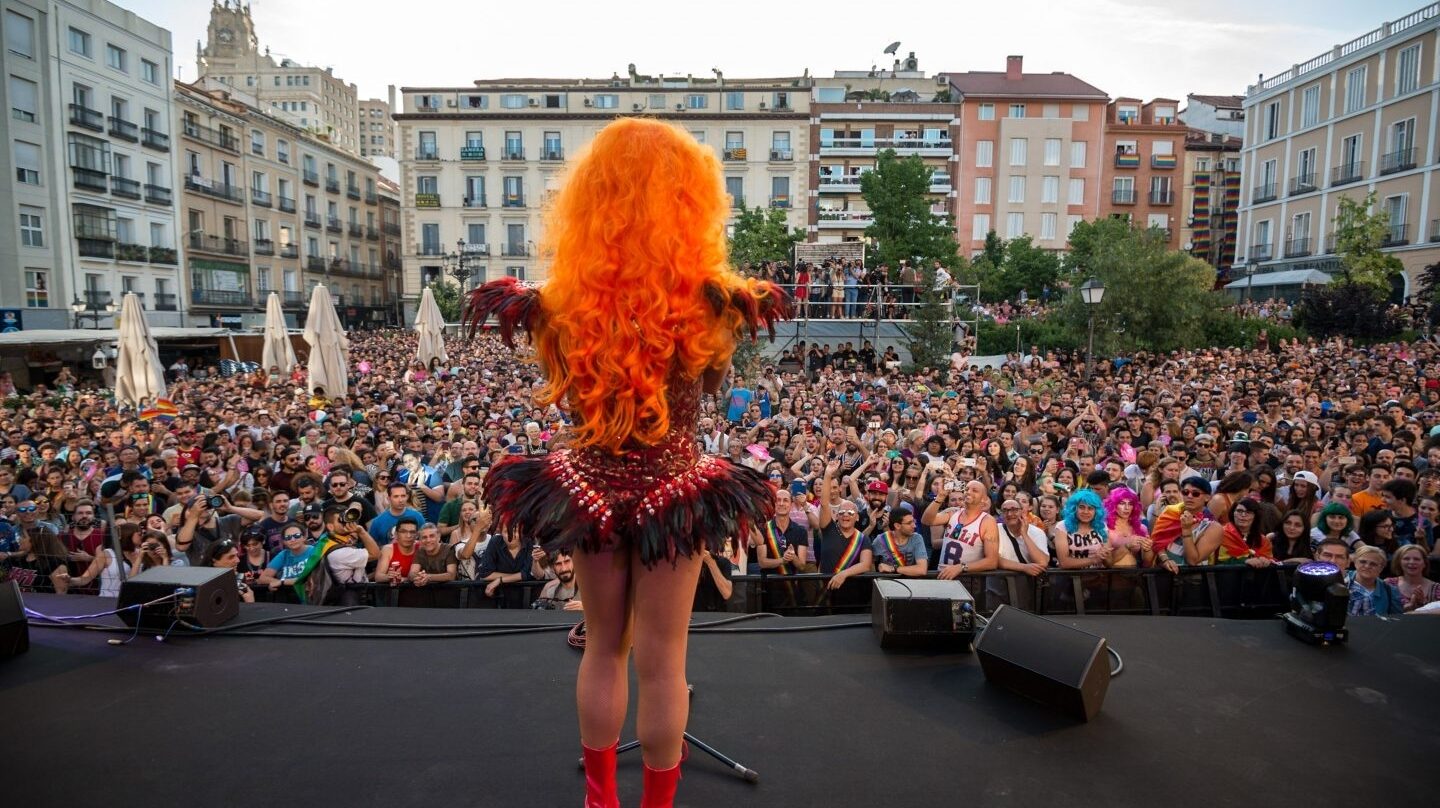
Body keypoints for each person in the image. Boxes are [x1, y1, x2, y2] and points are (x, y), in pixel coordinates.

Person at [465, 119, 789, 808]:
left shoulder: (556, 303)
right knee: (664, 660)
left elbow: (564, 390)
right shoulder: (713, 303)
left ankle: (600, 800)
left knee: (605, 647)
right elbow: (710, 390)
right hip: (675, 490)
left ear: (590, 197)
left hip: (588, 490)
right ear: (689, 201)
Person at [1344, 544, 1404, 616]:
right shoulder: (1340, 580)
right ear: (1355, 562)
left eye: (1373, 564)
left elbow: (1396, 621)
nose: (1367, 566)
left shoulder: (1390, 591)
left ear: (1381, 568)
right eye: (1363, 562)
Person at [871, 507, 928, 577]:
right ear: (897, 526)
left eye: (913, 521)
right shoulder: (881, 540)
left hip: (911, 584)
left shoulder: (917, 538)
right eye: (909, 523)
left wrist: (894, 569)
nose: (914, 525)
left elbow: (922, 569)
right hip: (886, 584)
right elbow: (870, 562)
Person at [1385, 544, 1439, 612]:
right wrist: (1409, 606)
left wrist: (1423, 605)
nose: (1411, 562)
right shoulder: (1388, 584)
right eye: (1406, 559)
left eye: (1417, 559)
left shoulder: (1437, 588)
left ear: (1424, 563)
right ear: (1399, 562)